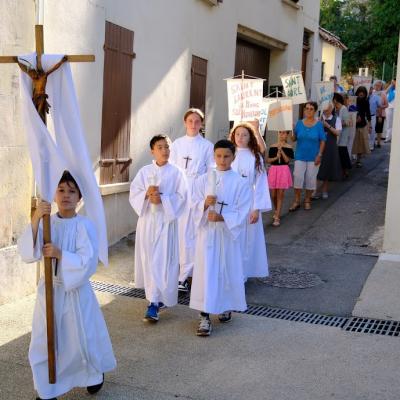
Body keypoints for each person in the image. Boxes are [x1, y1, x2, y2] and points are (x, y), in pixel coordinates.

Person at [17, 171, 116, 400]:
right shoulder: (46, 223)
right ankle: (47, 389)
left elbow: (88, 261)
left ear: (79, 197)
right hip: (50, 291)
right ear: (54, 194)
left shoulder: (84, 226)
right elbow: (27, 253)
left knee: (81, 339)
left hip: (75, 293)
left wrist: (61, 254)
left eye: (72, 191)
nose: (66, 196)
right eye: (61, 190)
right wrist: (35, 219)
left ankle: (93, 375)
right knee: (45, 339)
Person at [189, 140, 251, 336]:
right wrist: (204, 205)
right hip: (207, 236)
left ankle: (224, 305)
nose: (222, 160)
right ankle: (204, 316)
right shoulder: (203, 180)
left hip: (227, 236)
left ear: (233, 157)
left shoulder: (240, 182)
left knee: (225, 271)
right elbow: (192, 204)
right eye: (218, 156)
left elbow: (243, 211)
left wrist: (223, 217)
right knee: (206, 273)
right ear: (213, 156)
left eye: (226, 156)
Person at [129, 135, 187, 322]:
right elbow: (134, 194)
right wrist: (146, 195)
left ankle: (159, 299)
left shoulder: (177, 172)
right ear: (152, 151)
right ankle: (153, 301)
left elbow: (183, 197)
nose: (165, 151)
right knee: (150, 259)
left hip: (166, 222)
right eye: (160, 147)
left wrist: (164, 200)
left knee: (165, 261)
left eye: (167, 147)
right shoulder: (145, 172)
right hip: (148, 222)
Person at [169, 108, 214, 292]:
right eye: (190, 121)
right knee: (180, 232)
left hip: (197, 190)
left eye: (197, 121)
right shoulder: (177, 144)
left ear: (201, 124)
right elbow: (170, 168)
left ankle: (193, 273)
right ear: (185, 122)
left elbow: (211, 171)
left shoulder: (207, 146)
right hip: (180, 190)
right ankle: (180, 273)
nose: (193, 125)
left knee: (195, 232)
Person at [229, 122, 271, 279]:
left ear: (250, 137)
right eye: (237, 134)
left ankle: (243, 273)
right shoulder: (228, 153)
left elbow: (260, 184)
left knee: (247, 240)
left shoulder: (255, 157)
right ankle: (231, 272)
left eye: (244, 134)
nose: (240, 137)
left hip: (248, 202)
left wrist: (256, 208)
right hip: (230, 201)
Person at [290, 101, 326, 211]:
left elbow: (323, 141)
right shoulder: (299, 124)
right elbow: (294, 139)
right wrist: (291, 130)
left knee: (310, 179)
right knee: (298, 177)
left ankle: (307, 200)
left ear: (315, 111)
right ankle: (296, 201)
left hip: (313, 157)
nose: (308, 110)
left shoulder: (319, 124)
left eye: (311, 109)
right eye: (306, 108)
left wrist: (319, 155)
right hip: (300, 155)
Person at [313, 103, 342, 199]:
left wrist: (327, 125)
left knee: (327, 168)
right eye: (325, 108)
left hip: (330, 146)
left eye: (328, 108)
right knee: (316, 168)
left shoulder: (336, 119)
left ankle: (324, 190)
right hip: (318, 145)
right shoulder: (318, 119)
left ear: (331, 109)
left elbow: (338, 133)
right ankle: (315, 190)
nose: (326, 110)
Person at [266, 130, 294, 226]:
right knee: (273, 195)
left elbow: (287, 160)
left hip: (283, 170)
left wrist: (281, 150)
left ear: (287, 135)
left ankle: (277, 216)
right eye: (280, 133)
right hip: (274, 170)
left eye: (284, 133)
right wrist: (275, 157)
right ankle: (277, 210)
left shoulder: (289, 147)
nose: (282, 135)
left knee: (280, 194)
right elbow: (268, 160)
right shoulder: (272, 146)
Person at [333, 93, 352, 178]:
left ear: (335, 100)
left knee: (342, 151)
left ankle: (346, 170)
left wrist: (337, 124)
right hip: (338, 134)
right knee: (340, 152)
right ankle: (343, 170)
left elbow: (347, 122)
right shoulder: (336, 109)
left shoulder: (343, 109)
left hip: (343, 134)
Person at [352, 86, 371, 167]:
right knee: (352, 142)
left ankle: (358, 160)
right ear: (357, 92)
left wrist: (369, 125)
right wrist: (356, 116)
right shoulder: (353, 100)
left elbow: (368, 113)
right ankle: (351, 158)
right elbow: (350, 110)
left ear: (365, 94)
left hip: (362, 125)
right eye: (360, 92)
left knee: (360, 143)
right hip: (353, 124)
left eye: (363, 93)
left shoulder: (366, 101)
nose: (361, 94)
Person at [373, 80, 388, 148]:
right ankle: (372, 142)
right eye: (376, 85)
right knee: (373, 128)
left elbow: (386, 105)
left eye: (379, 85)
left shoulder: (383, 93)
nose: (378, 87)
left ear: (381, 86)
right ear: (374, 85)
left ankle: (378, 142)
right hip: (373, 114)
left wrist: (381, 107)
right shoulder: (372, 93)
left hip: (381, 114)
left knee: (379, 129)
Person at [368, 83, 382, 151]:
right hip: (364, 117)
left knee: (372, 131)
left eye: (370, 88)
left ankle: (371, 146)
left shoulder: (376, 97)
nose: (369, 90)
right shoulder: (364, 97)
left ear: (372, 89)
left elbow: (379, 107)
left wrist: (379, 116)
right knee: (365, 131)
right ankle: (365, 146)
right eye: (368, 88)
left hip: (372, 116)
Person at [385, 79, 396, 143]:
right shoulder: (390, 89)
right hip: (389, 108)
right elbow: (385, 92)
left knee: (395, 124)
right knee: (389, 123)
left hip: (396, 108)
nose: (393, 83)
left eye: (394, 81)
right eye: (392, 82)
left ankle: (394, 137)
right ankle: (388, 137)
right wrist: (391, 85)